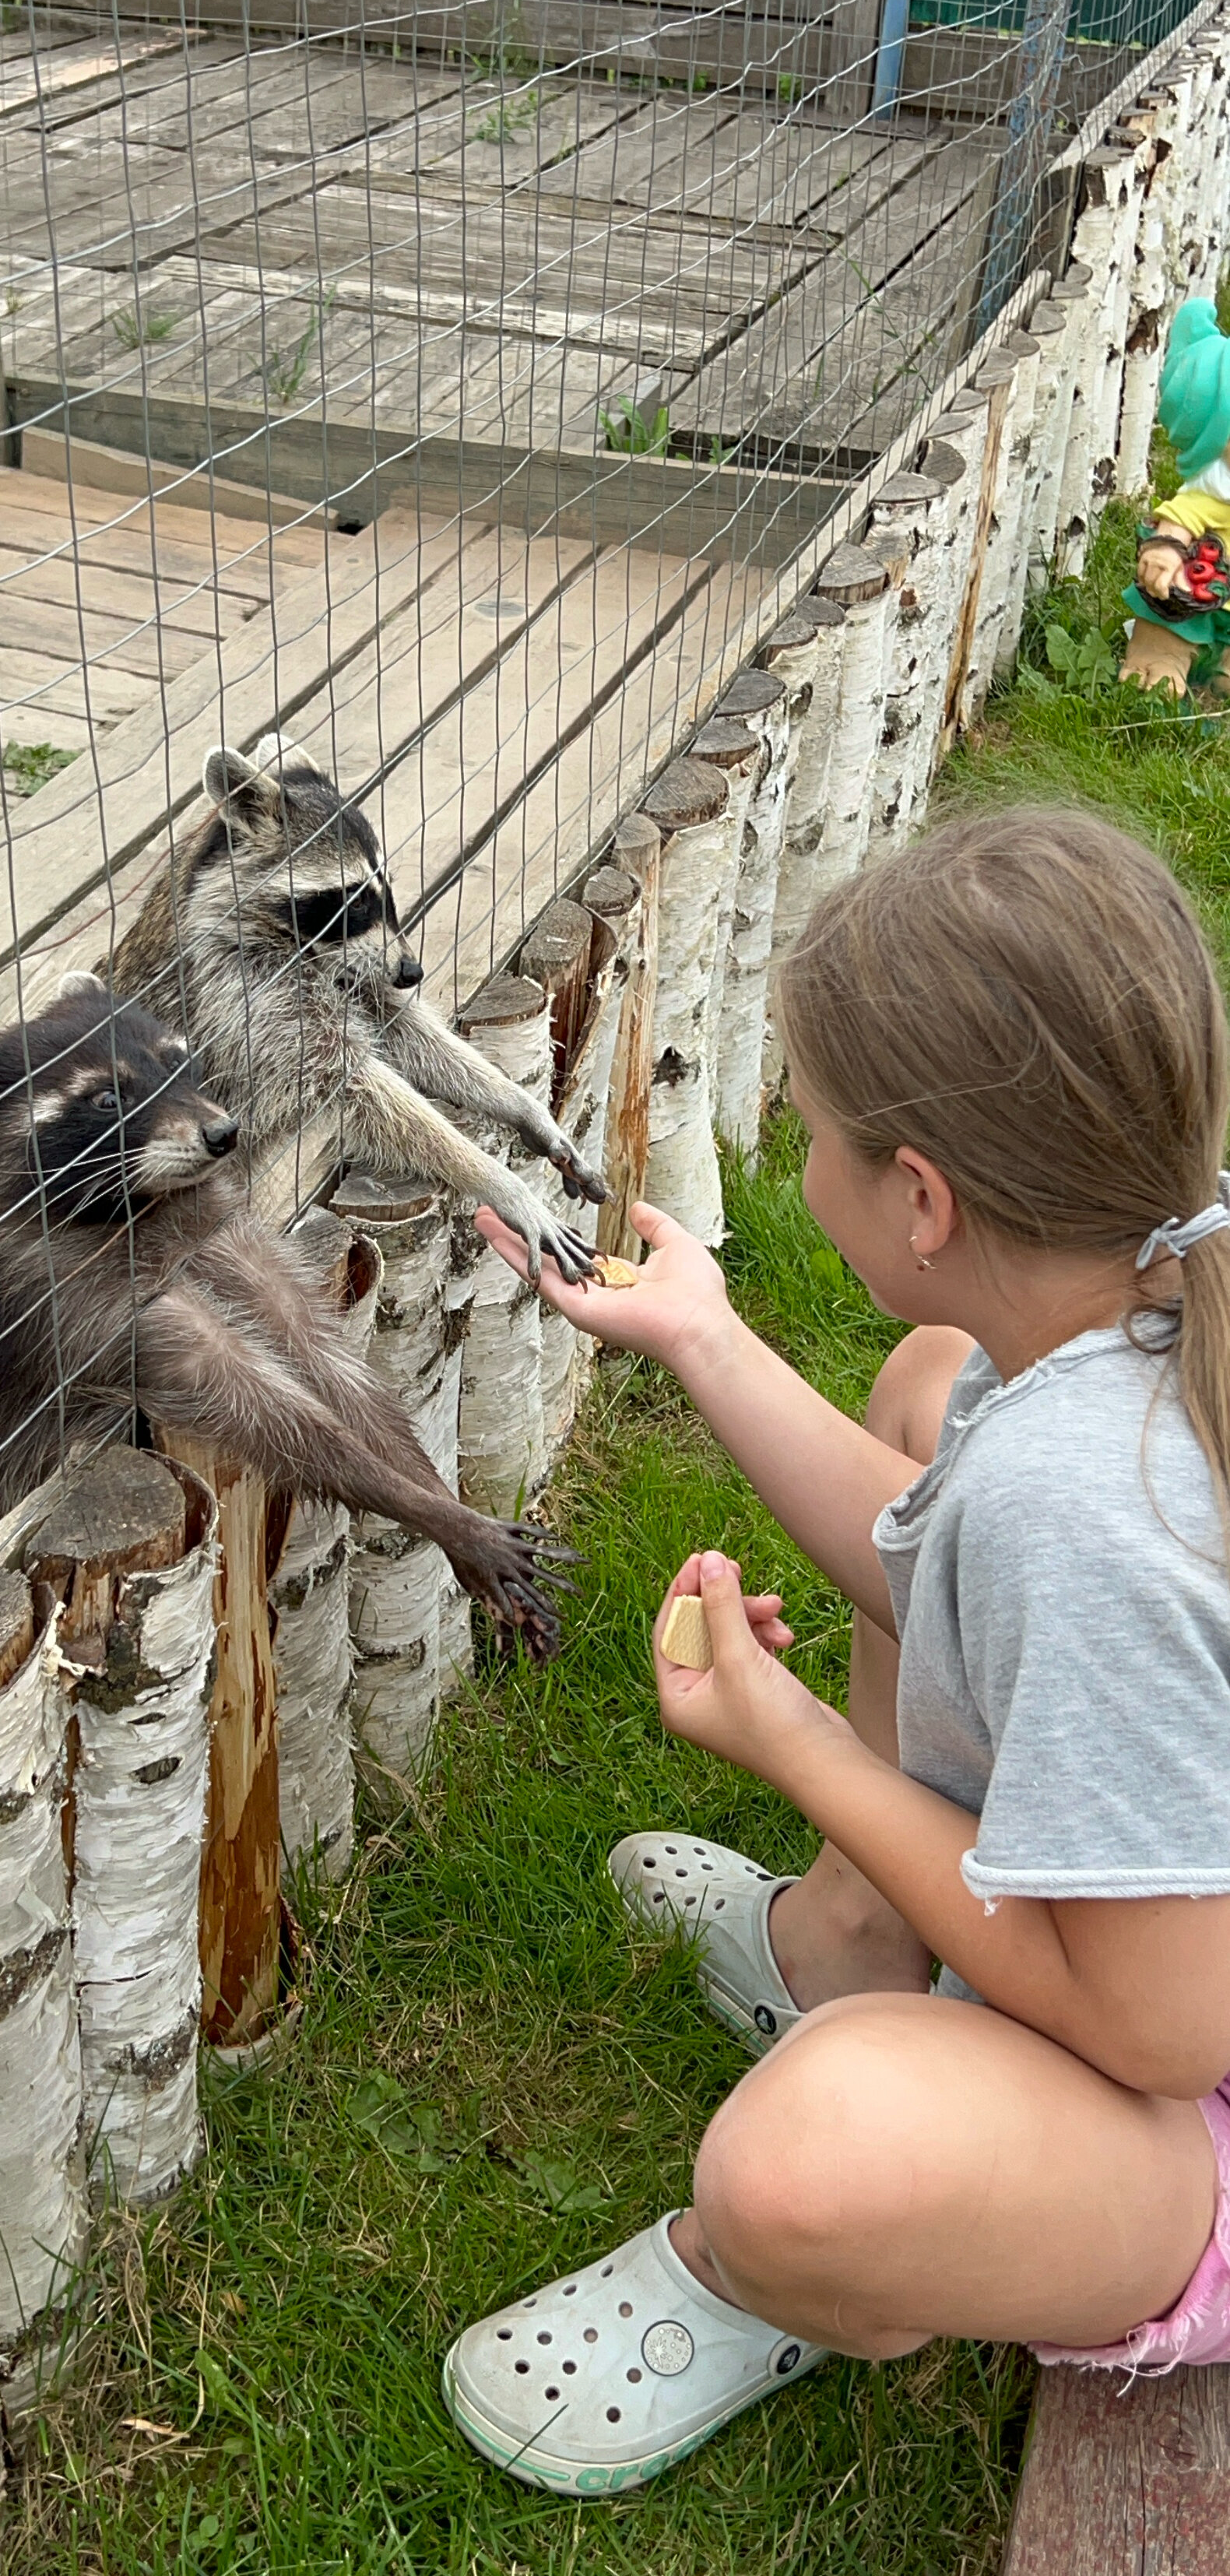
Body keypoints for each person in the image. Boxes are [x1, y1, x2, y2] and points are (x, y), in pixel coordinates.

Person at [441, 806, 1230, 2497]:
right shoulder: (1142, 1288)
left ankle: (790, 2276)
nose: (801, 1162)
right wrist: (705, 1336)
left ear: (922, 1196)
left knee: (805, 2159)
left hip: (1190, 2099)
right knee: (927, 1391)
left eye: (813, 1131)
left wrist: (796, 1738)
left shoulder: (1084, 1517)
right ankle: (851, 1949)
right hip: (1174, 1957)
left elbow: (1161, 2031)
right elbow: (943, 1546)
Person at [1122, 299, 1230, 698]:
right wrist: (1166, 551)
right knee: (1169, 601)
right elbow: (1180, 519)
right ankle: (1160, 657)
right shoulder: (1213, 496)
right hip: (1202, 595)